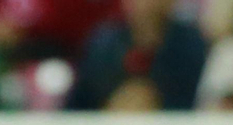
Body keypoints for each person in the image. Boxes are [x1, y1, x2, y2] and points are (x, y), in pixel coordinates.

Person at [66, 0, 207, 111]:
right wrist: (111, 107)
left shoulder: (191, 44)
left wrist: (154, 103)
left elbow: (195, 101)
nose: (148, 3)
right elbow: (80, 103)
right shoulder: (103, 43)